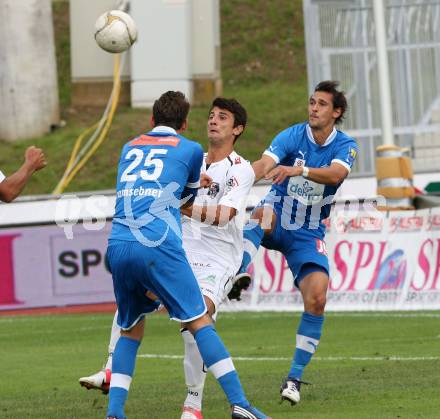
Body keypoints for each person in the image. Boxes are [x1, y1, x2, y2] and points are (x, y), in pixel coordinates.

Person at [99, 91, 270, 419]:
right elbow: (178, 198)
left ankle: (191, 404)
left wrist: (180, 202)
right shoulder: (191, 153)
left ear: (238, 129)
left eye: (223, 117)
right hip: (175, 250)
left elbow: (221, 216)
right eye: (211, 114)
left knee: (142, 322)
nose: (214, 120)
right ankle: (239, 404)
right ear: (188, 122)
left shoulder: (239, 169)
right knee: (194, 321)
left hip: (214, 255)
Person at [234, 81, 358, 406]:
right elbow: (265, 163)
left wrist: (297, 169)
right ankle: (240, 271)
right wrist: (240, 175)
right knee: (261, 213)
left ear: (336, 112)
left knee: (317, 299)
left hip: (308, 232)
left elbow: (334, 175)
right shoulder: (291, 135)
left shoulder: (346, 145)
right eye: (312, 102)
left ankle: (294, 379)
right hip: (279, 214)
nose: (313, 108)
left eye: (321, 104)